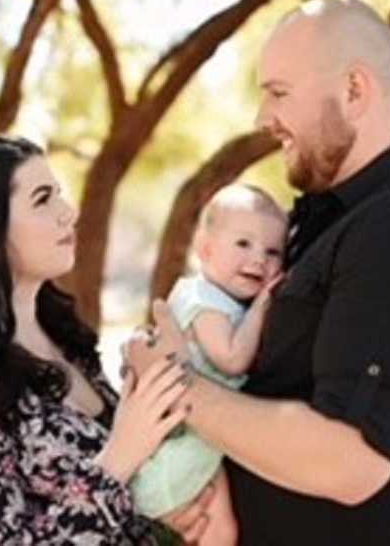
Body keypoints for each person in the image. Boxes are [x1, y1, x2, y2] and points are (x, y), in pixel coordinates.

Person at [127, 0, 390, 545]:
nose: (261, 118)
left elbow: (347, 462)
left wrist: (173, 384)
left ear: (354, 90)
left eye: (278, 93)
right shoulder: (325, 222)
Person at [0, 134, 209, 545]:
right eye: (43, 199)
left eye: (59, 194)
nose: (69, 213)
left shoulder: (65, 339)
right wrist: (118, 458)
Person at [130, 184, 286, 545]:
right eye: (243, 244)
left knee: (224, 531)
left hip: (198, 439)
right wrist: (265, 304)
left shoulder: (220, 298)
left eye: (273, 251)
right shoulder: (204, 300)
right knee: (220, 532)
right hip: (182, 452)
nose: (259, 259)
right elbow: (231, 360)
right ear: (206, 249)